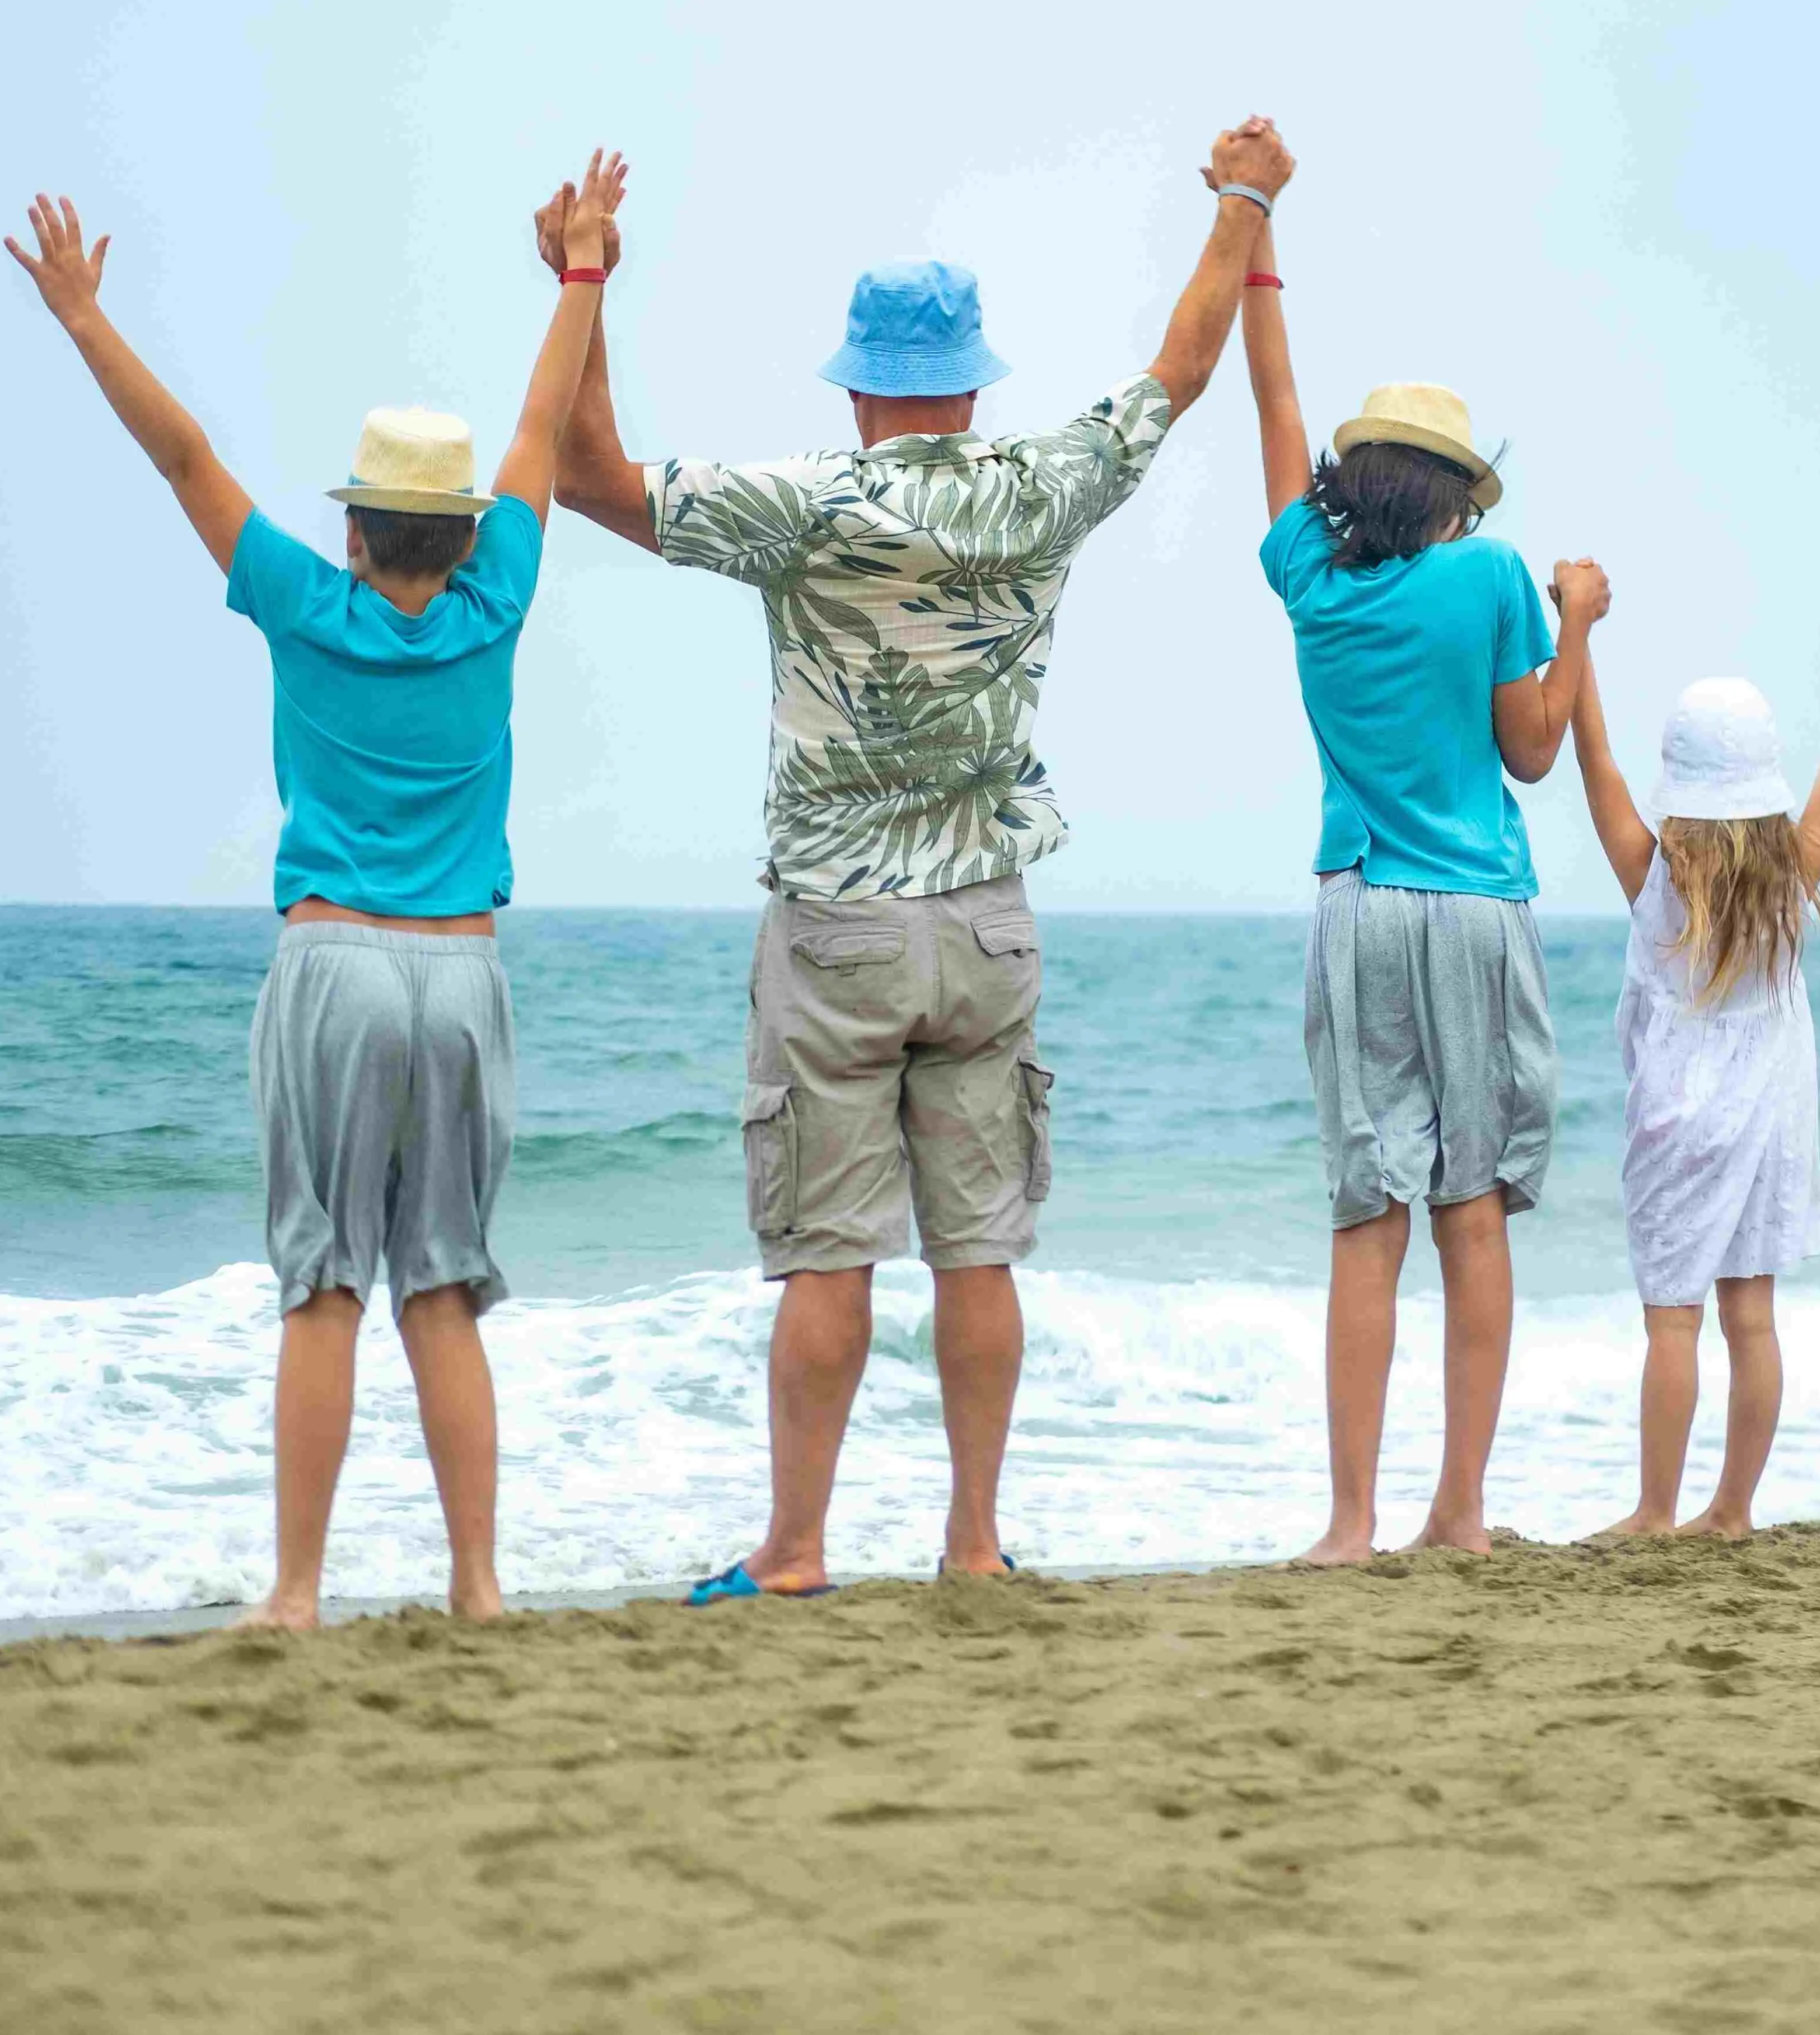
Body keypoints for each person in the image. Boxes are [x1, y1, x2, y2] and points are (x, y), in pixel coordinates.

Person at [552, 121, 1293, 1600]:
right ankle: (970, 1547)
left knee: (828, 1256)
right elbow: (1183, 366)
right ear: (970, 380)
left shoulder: (806, 505)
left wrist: (583, 286)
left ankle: (798, 1551)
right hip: (987, 921)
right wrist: (1240, 200)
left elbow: (585, 478)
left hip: (836, 924)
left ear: (855, 385)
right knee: (978, 1251)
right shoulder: (1037, 484)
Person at [3, 151, 627, 1627]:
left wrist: (86, 319)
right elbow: (542, 420)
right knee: (446, 1288)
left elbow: (184, 459)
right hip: (465, 974)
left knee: (325, 1287)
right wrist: (584, 274)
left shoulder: (303, 602)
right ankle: (478, 1584)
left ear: (354, 531)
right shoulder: (504, 595)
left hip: (337, 963)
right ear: (466, 532)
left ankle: (296, 1594)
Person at [1228, 172, 1602, 1563]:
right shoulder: (1495, 575)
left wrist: (1257, 242)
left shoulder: (1310, 581)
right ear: (1454, 490)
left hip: (1358, 900)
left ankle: (1345, 1521)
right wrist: (1578, 626)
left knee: (1364, 1211)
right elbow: (1533, 754)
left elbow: (1272, 409)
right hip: (1475, 909)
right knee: (1472, 1208)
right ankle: (1459, 1512)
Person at [1566, 664, 1820, 1541]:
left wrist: (1580, 641)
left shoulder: (1651, 873)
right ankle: (1733, 1510)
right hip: (1774, 1110)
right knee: (1751, 1318)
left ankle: (1654, 1511)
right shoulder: (1795, 874)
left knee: (1673, 1321)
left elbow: (1593, 758)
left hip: (1680, 1116)